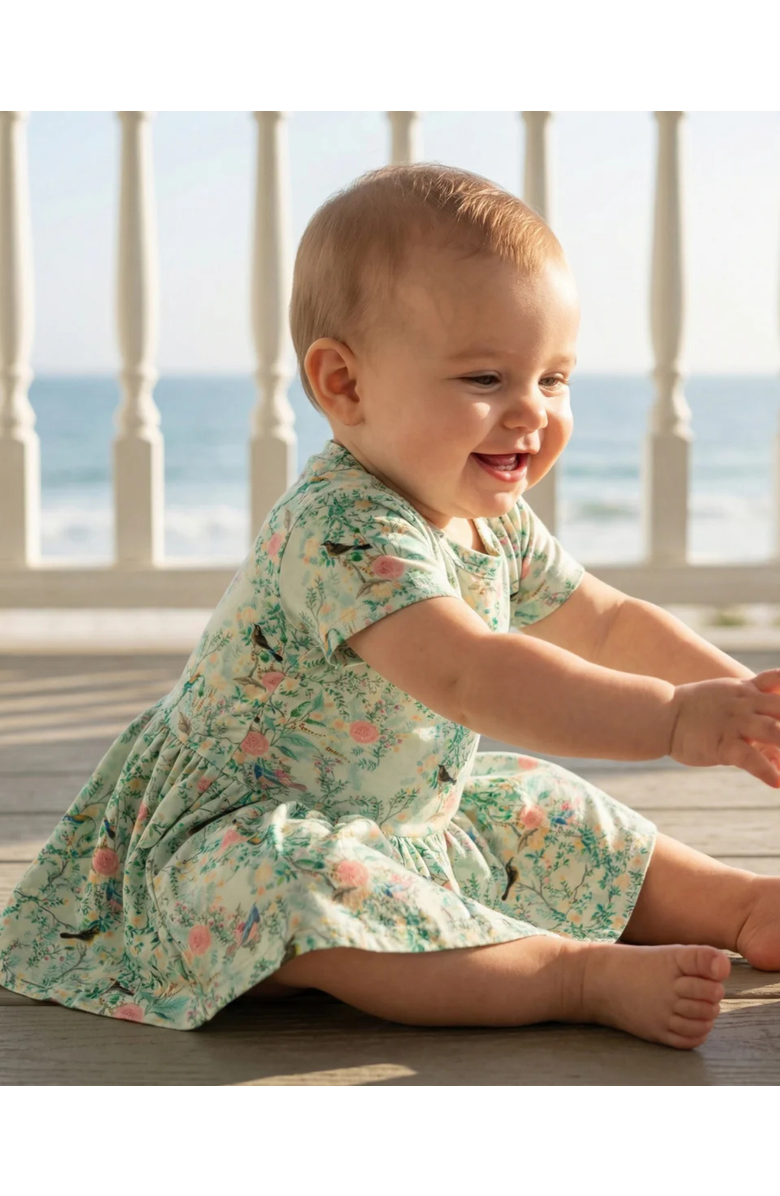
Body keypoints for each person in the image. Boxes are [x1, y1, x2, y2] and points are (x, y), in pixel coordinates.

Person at [3, 163, 780, 1049]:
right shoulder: (343, 528)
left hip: (403, 814)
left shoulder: (489, 520)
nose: (531, 412)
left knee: (537, 802)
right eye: (487, 377)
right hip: (235, 841)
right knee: (296, 880)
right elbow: (471, 674)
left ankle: (740, 901)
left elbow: (605, 622)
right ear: (345, 385)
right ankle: (566, 971)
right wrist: (677, 721)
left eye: (555, 378)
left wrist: (744, 702)